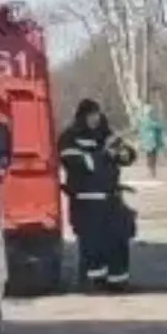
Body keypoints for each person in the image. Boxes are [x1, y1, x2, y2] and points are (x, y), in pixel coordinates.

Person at [57, 99, 137, 292]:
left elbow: (127, 156)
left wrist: (122, 152)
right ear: (82, 116)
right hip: (86, 201)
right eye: (91, 114)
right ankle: (93, 282)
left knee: (117, 240)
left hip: (111, 199)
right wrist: (105, 155)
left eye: (97, 114)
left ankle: (118, 280)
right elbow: (76, 162)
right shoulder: (70, 137)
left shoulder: (106, 134)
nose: (95, 118)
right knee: (92, 244)